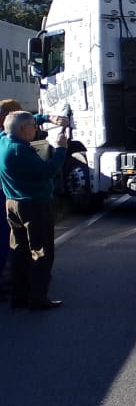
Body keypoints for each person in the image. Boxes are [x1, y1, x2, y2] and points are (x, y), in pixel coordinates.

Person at [0, 100, 68, 304]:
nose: (36, 129)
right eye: (33, 126)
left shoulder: (3, 140)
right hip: (34, 205)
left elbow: (14, 122)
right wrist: (61, 149)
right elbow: (48, 171)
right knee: (40, 251)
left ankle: (18, 295)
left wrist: (46, 118)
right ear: (23, 129)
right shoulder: (21, 150)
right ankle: (38, 297)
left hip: (13, 203)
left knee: (18, 249)